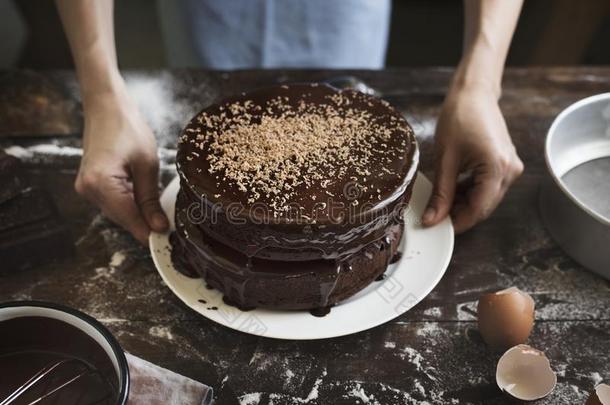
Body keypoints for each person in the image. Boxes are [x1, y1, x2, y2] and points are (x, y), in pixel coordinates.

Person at [55, 0, 524, 244]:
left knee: (347, 106)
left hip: (340, 15)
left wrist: (480, 84)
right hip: (208, 15)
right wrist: (101, 92)